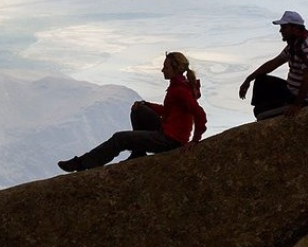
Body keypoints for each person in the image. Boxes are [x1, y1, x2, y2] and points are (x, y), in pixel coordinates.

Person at [57, 51, 206, 172]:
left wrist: (195, 140)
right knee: (138, 110)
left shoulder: (180, 90)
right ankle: (138, 153)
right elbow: (168, 110)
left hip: (170, 141)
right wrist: (145, 104)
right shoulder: (179, 86)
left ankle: (81, 164)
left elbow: (199, 113)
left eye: (166, 67)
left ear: (175, 68)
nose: (162, 70)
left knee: (119, 139)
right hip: (169, 133)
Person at [238, 10, 308, 119]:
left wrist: (297, 105)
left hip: (304, 100)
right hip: (291, 90)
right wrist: (248, 79)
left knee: (260, 113)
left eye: (284, 28)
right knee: (261, 80)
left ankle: (266, 113)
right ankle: (268, 107)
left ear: (295, 29)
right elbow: (273, 63)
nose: (281, 31)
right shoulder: (294, 45)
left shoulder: (306, 49)